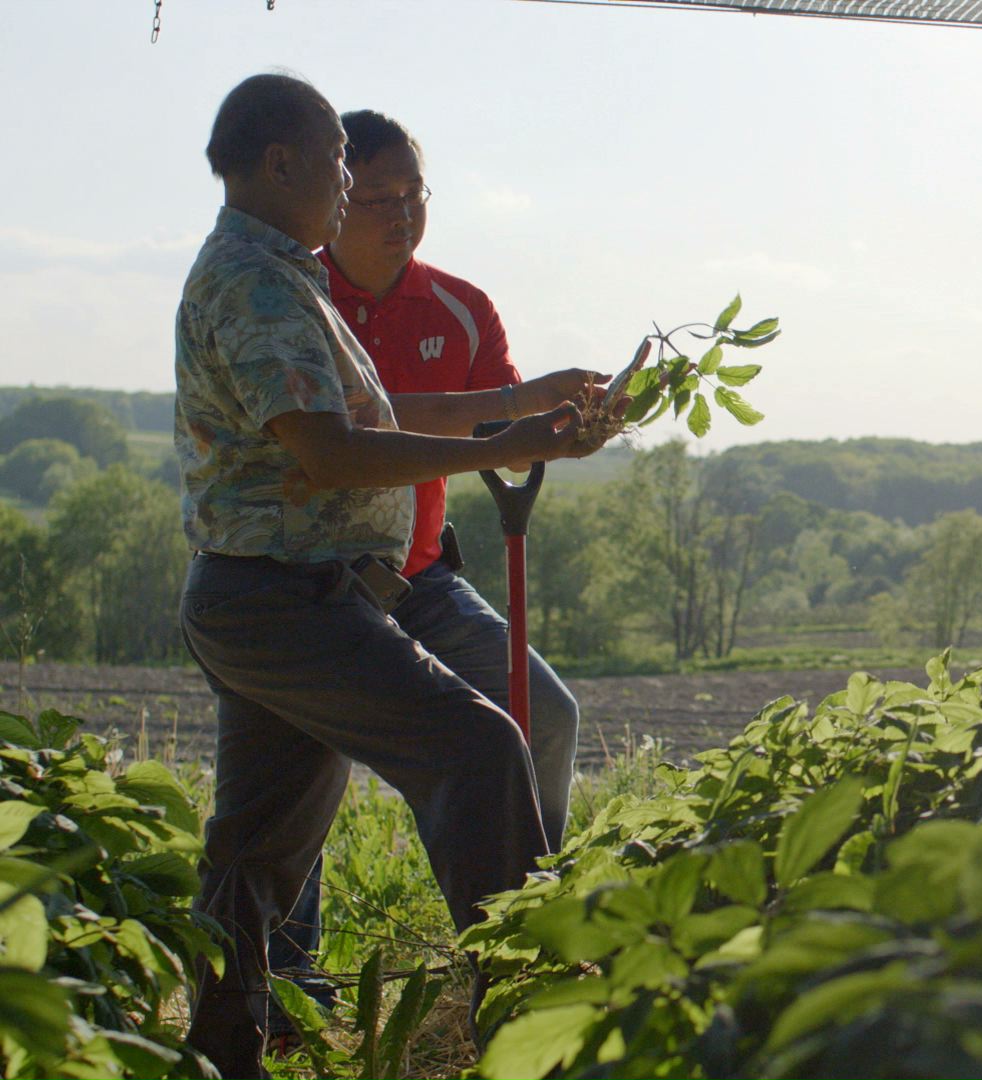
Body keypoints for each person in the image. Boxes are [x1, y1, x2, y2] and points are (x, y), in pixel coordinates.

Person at [174, 73, 614, 1080]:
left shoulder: (279, 273)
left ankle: (217, 1055)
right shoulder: (258, 281)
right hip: (288, 601)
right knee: (478, 746)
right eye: (339, 163)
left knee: (256, 855)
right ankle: (529, 1030)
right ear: (280, 163)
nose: (348, 184)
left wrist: (524, 409)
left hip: (276, 596)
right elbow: (329, 454)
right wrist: (514, 436)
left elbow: (374, 417)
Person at [264, 109, 587, 1028]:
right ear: (331, 200)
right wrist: (510, 408)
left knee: (548, 717)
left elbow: (500, 435)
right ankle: (289, 985)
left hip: (421, 578)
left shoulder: (460, 306)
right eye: (378, 198)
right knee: (299, 778)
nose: (402, 216)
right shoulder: (295, 296)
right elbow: (354, 421)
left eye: (416, 196)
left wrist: (562, 432)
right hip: (314, 585)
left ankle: (520, 925)